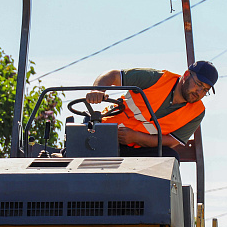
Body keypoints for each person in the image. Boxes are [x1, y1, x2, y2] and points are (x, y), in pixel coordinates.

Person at [85, 61, 218, 160]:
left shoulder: (197, 112)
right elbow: (112, 75)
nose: (199, 92)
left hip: (138, 149)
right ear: (187, 75)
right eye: (199, 84)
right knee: (78, 146)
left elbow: (171, 141)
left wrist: (137, 138)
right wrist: (97, 90)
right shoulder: (156, 79)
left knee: (170, 157)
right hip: (105, 133)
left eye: (205, 90)